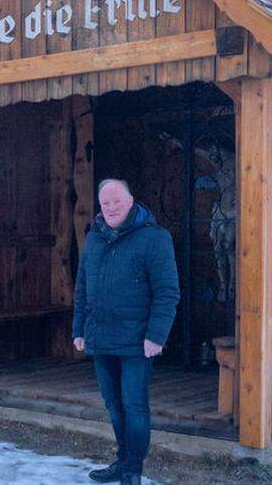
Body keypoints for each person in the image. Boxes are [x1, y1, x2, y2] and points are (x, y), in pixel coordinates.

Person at [73, 179, 179, 484]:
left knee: (134, 405)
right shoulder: (95, 238)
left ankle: (133, 470)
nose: (110, 208)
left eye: (116, 201)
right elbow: (83, 287)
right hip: (101, 337)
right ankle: (121, 461)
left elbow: (167, 292)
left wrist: (156, 336)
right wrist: (79, 328)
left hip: (137, 341)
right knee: (114, 405)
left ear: (131, 200)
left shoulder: (154, 239)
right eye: (105, 203)